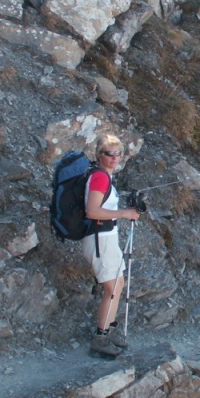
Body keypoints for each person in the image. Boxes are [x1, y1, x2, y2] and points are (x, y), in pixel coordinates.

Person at [82, 134, 141, 357]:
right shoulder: (100, 178)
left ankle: (108, 329)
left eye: (118, 153)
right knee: (112, 289)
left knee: (118, 284)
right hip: (100, 239)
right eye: (109, 154)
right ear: (100, 155)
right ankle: (101, 338)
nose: (115, 158)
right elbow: (92, 211)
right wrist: (124, 213)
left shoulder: (103, 176)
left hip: (106, 237)